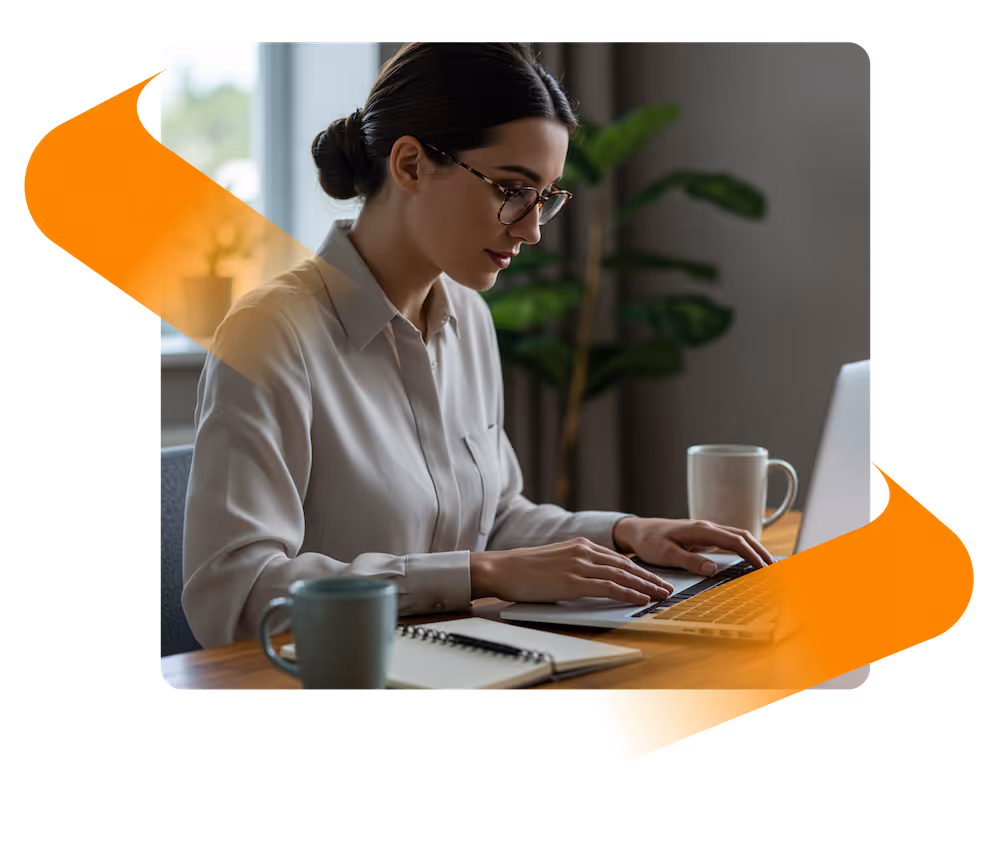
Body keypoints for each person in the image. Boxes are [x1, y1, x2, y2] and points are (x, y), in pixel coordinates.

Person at [181, 42, 774, 649]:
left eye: (545, 197)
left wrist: (626, 533)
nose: (533, 228)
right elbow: (234, 595)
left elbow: (498, 519)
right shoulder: (272, 333)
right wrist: (478, 574)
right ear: (409, 165)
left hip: (459, 662)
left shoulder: (468, 317)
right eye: (512, 189)